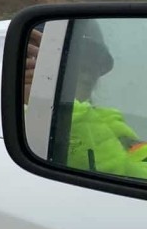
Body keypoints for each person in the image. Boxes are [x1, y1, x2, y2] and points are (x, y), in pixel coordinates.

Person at [24, 22, 147, 180]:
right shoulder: (3, 121)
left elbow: (137, 177)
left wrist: (56, 104)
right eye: (72, 55)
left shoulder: (111, 123)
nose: (89, 69)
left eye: (94, 60)